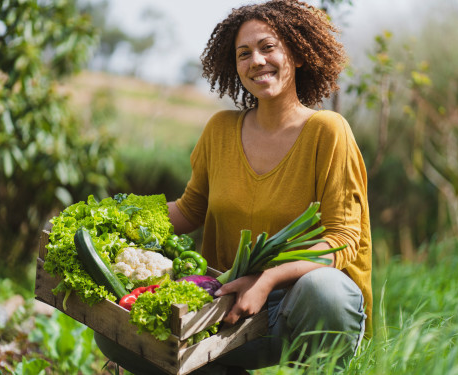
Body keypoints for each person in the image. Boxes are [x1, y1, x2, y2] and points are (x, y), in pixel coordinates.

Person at [95, 1, 372, 374]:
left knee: (326, 290)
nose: (256, 60)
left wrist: (268, 277)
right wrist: (115, 220)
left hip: (295, 308)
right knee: (113, 333)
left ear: (299, 54)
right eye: (244, 54)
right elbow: (189, 210)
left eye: (268, 47)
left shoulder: (328, 131)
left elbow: (342, 238)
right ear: (235, 66)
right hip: (227, 306)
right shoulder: (221, 130)